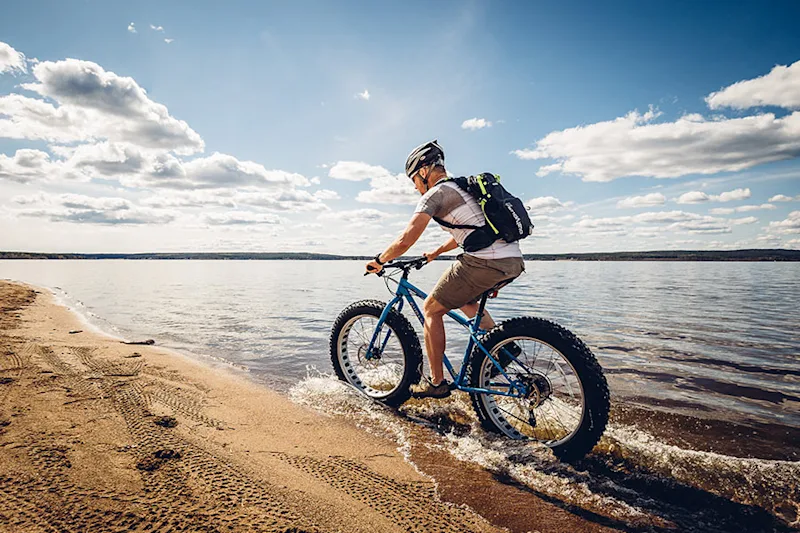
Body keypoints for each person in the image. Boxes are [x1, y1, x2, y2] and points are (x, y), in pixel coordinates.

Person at [365, 140, 525, 399]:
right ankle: (503, 349)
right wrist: (436, 253)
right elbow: (469, 232)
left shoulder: (435, 195)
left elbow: (406, 240)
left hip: (485, 262)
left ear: (424, 171)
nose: (416, 187)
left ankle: (437, 382)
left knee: (431, 309)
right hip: (512, 261)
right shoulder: (462, 188)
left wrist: (380, 260)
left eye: (414, 180)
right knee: (466, 302)